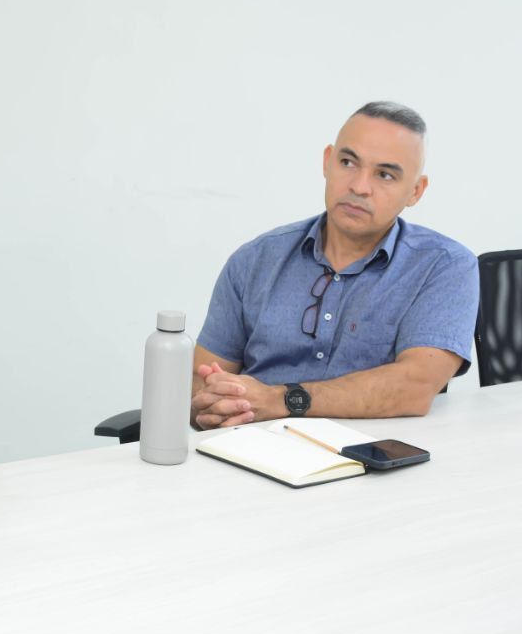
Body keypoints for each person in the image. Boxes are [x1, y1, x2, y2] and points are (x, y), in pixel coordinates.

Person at [192, 101, 478, 429]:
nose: (359, 187)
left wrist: (282, 400)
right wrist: (216, 402)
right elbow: (200, 381)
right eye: (348, 162)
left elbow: (413, 388)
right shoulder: (255, 259)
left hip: (372, 456)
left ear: (415, 191)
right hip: (251, 442)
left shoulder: (444, 267)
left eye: (384, 174)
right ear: (327, 161)